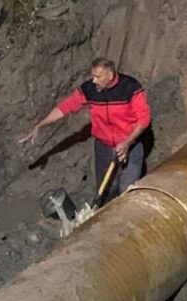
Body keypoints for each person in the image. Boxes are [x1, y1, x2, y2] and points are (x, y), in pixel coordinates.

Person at [20, 57, 151, 205]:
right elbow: (65, 107)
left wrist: (127, 143)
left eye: (98, 76)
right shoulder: (90, 89)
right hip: (104, 148)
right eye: (93, 76)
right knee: (106, 191)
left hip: (131, 147)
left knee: (128, 192)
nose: (94, 80)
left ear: (110, 74)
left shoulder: (130, 87)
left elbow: (144, 119)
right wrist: (40, 124)